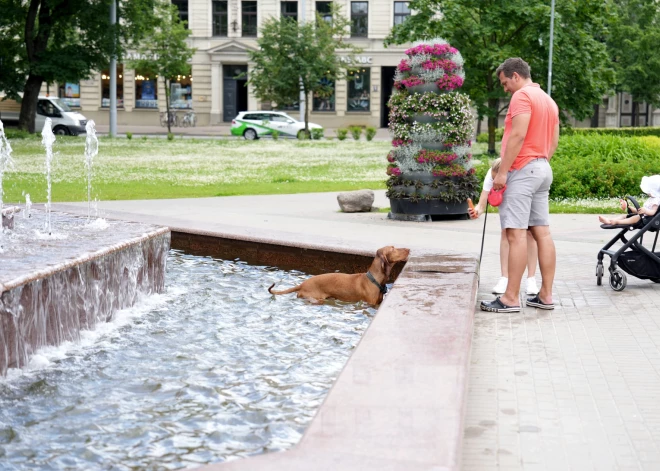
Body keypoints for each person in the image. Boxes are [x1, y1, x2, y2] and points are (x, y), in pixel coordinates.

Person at [480, 57, 559, 313]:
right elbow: (553, 141)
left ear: (516, 76)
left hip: (522, 170)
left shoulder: (522, 96)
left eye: (505, 83)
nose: (504, 89)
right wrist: (540, 162)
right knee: (542, 233)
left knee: (515, 235)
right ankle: (545, 295)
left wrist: (502, 173)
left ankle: (510, 298)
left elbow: (518, 134)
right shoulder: (548, 100)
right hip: (543, 167)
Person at [470, 157, 539, 295]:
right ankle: (504, 278)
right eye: (494, 179)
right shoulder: (492, 174)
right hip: (508, 200)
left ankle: (531, 279)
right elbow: (482, 204)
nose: (496, 183)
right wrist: (476, 211)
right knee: (506, 232)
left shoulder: (519, 174)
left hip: (526, 194)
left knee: (531, 232)